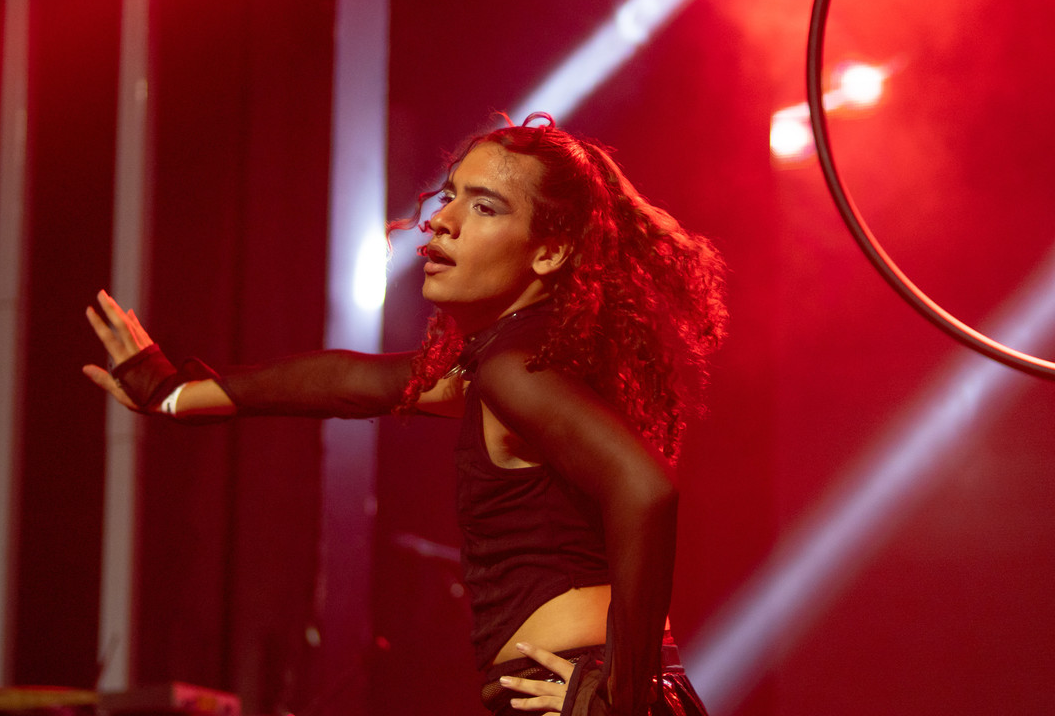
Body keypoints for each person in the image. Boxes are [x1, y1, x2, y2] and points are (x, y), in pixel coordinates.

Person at [84, 113, 727, 715]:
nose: (443, 221)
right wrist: (173, 393)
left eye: (485, 206)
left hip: (583, 687)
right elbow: (348, 384)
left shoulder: (514, 370)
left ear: (550, 252)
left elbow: (646, 489)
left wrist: (618, 695)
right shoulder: (521, 363)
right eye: (451, 196)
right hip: (602, 680)